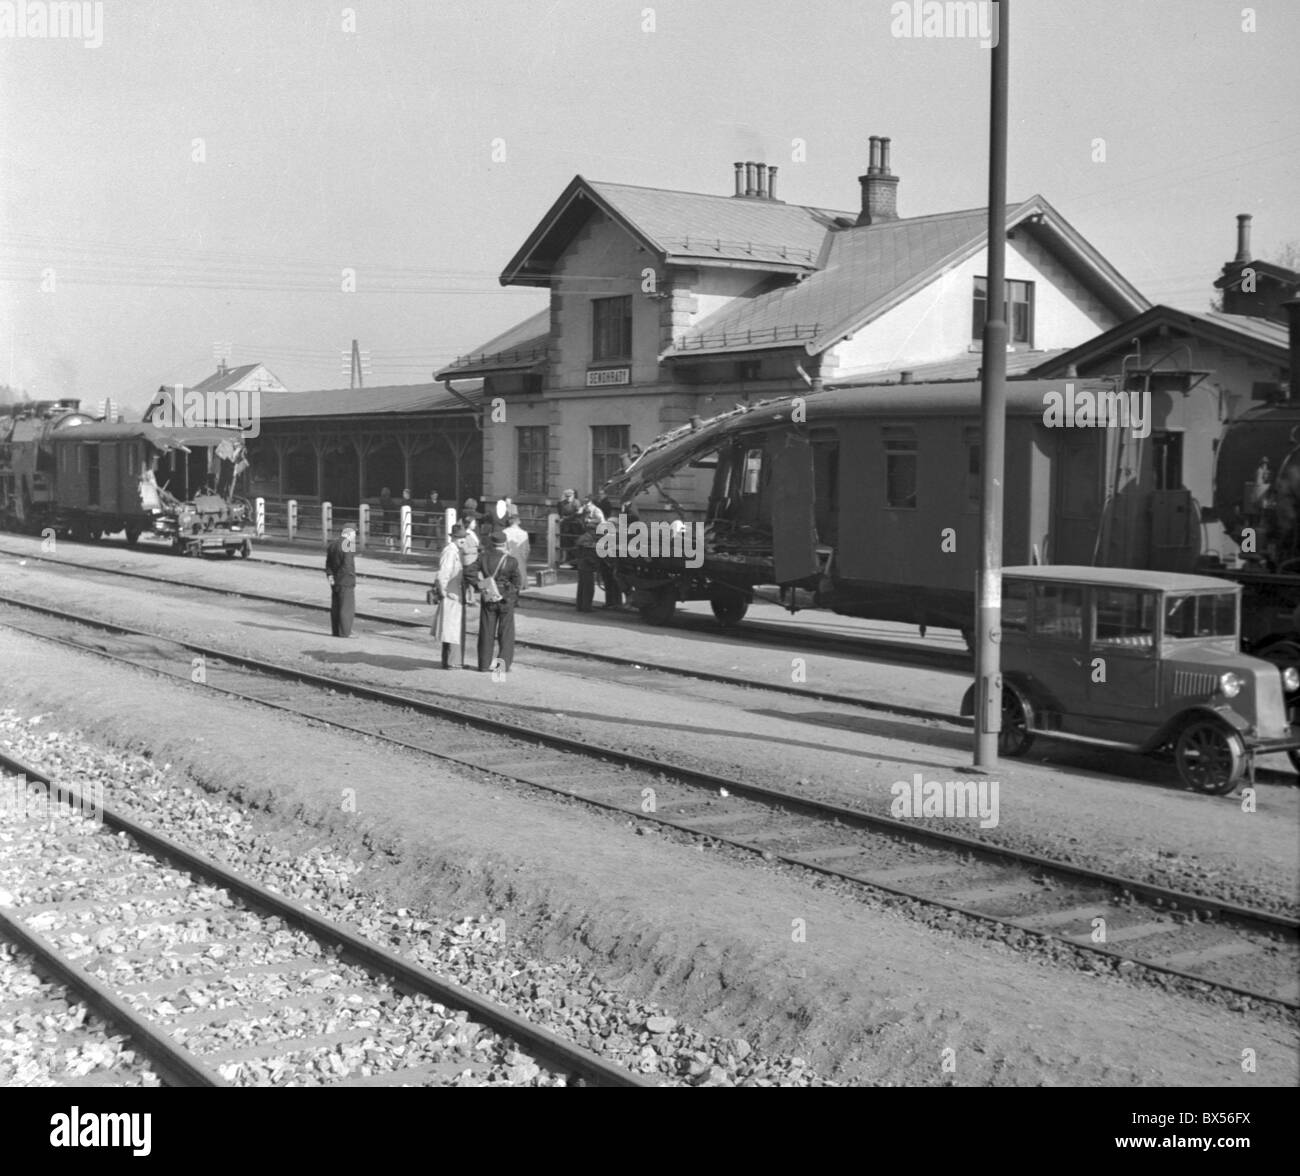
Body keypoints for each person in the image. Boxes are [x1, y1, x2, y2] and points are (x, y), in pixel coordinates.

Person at [476, 529, 523, 672]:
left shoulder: (483, 558)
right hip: (505, 598)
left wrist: (480, 586)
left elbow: (469, 572)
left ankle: (483, 665)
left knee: (486, 631)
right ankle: (501, 667)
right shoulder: (511, 561)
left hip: (489, 595)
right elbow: (517, 582)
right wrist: (511, 596)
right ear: (505, 544)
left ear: (492, 543)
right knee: (506, 634)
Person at [431, 524, 466, 668]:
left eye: (464, 537)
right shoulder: (450, 551)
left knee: (451, 627)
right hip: (451, 592)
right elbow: (443, 573)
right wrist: (444, 592)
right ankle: (451, 661)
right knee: (451, 628)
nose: (462, 540)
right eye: (460, 538)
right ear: (454, 538)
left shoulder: (456, 551)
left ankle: (451, 660)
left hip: (455, 591)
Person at [325, 525, 357, 637]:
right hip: (345, 580)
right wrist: (349, 577)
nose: (354, 538)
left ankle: (336, 631)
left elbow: (328, 562)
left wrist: (330, 575)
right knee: (346, 607)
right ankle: (345, 632)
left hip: (334, 580)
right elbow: (348, 564)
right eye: (353, 535)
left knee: (336, 606)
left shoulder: (332, 544)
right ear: (348, 534)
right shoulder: (348, 544)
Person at [574, 500, 604, 612]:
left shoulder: (584, 537)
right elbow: (589, 553)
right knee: (588, 588)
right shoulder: (588, 539)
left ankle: (580, 606)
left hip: (582, 566)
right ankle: (586, 607)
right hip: (587, 567)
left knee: (582, 587)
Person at [556, 488, 582, 565]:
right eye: (566, 496)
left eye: (569, 496)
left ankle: (574, 560)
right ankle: (564, 559)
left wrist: (566, 518)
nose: (568, 498)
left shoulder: (576, 502)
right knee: (564, 542)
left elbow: (577, 514)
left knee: (574, 543)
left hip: (574, 526)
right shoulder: (562, 503)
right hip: (565, 526)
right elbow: (560, 512)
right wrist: (563, 519)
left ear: (573, 495)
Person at [503, 512, 531, 579]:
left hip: (509, 556)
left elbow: (504, 547)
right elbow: (527, 549)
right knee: (520, 572)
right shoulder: (524, 533)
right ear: (519, 522)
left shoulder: (504, 532)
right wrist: (525, 557)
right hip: (520, 557)